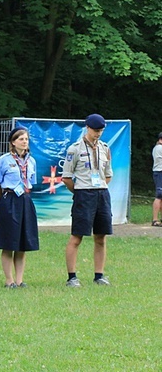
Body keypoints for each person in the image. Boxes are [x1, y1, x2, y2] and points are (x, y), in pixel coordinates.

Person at [63, 114, 113, 287]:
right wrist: (79, 192)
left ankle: (99, 275)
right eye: (95, 130)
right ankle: (72, 277)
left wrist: (100, 188)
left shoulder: (105, 148)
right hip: (84, 194)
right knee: (77, 237)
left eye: (101, 131)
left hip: (102, 195)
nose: (98, 134)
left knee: (101, 236)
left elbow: (108, 175)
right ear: (87, 128)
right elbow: (67, 177)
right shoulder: (75, 149)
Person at [0, 128, 39, 288]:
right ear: (13, 142)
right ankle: (9, 280)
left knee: (23, 242)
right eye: (20, 139)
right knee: (8, 242)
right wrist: (2, 200)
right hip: (9, 199)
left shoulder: (31, 161)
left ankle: (19, 279)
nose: (24, 142)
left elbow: (32, 180)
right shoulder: (4, 160)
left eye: (26, 139)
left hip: (25, 199)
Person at [152, 132, 162, 226]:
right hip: (160, 172)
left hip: (158, 172)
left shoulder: (156, 148)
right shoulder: (160, 148)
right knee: (159, 195)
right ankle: (155, 220)